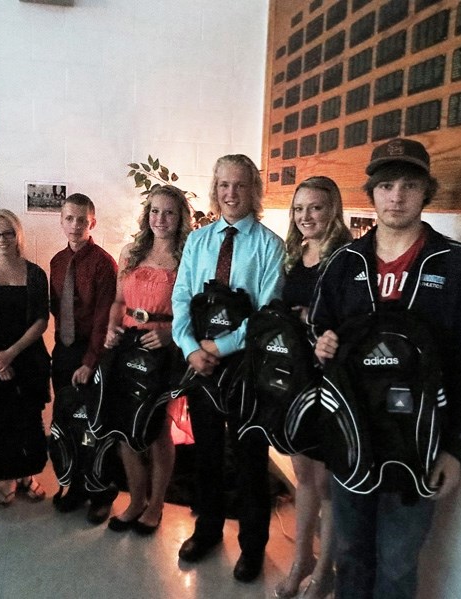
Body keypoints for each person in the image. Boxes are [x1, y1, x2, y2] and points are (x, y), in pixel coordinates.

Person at [311, 138, 461, 598]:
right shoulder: (344, 262)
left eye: (409, 186)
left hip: (419, 444)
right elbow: (317, 327)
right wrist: (322, 341)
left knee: (396, 564)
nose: (396, 197)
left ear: (425, 193)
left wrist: (455, 448)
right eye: (387, 185)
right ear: (371, 193)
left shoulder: (455, 265)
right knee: (351, 554)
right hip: (353, 436)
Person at [171, 154, 285, 582]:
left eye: (239, 185)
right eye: (223, 186)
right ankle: (207, 531)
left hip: (246, 369)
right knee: (205, 457)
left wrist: (217, 345)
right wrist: (188, 347)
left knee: (251, 460)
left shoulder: (270, 246)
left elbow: (266, 313)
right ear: (215, 189)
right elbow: (182, 296)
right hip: (200, 366)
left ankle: (252, 547)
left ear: (253, 190)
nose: (231, 194)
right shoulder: (199, 242)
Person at [275, 176, 352, 598]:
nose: (306, 216)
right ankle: (302, 557)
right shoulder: (295, 253)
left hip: (331, 376)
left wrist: (314, 322)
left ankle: (325, 572)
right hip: (297, 374)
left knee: (328, 483)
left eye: (316, 208)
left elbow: (353, 319)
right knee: (303, 473)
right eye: (299, 208)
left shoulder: (347, 257)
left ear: (333, 210)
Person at [103, 185, 192, 534]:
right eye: (155, 211)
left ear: (180, 216)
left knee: (157, 432)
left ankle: (156, 505)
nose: (161, 219)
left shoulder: (188, 255)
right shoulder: (131, 252)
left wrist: (172, 335)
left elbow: (196, 309)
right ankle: (135, 500)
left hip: (164, 346)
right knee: (126, 428)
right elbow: (117, 302)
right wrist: (111, 329)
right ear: (146, 214)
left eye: (169, 212)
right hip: (127, 344)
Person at [0, 209, 50, 506]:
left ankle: (27, 474)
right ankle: (6, 477)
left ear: (18, 235)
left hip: (26, 358)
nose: (1, 239)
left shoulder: (36, 273)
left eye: (7, 233)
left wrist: (11, 354)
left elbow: (41, 320)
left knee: (26, 420)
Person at [49, 193, 118, 524]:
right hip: (63, 350)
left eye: (82, 219)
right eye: (69, 218)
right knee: (67, 422)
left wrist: (90, 361)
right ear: (61, 221)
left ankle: (101, 491)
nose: (75, 225)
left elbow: (104, 319)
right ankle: (74, 484)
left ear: (92, 222)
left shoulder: (104, 264)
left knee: (96, 425)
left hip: (93, 353)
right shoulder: (57, 262)